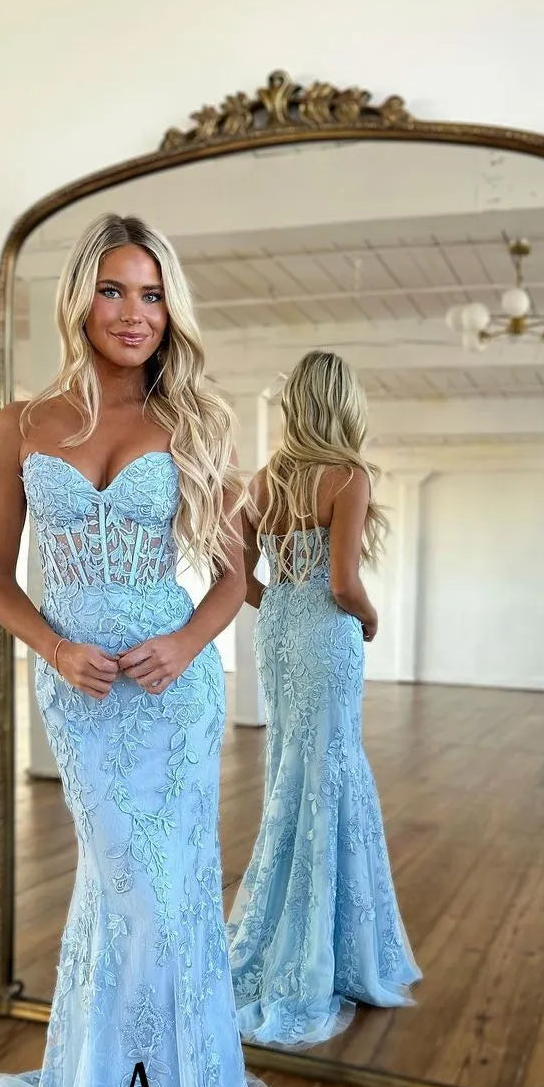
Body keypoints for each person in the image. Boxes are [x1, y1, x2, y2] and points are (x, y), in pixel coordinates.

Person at [0, 213, 294, 1087]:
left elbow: (236, 578)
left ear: (168, 309)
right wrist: (54, 647)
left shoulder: (191, 423)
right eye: (113, 291)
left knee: (166, 903)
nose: (134, 313)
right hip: (82, 696)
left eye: (150, 294)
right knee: (121, 897)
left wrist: (186, 645)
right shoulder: (21, 425)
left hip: (170, 692)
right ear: (79, 302)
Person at [226, 350, 422, 1048]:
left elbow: (236, 574)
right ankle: (332, 950)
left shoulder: (264, 480)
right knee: (330, 769)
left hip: (278, 630)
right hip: (325, 633)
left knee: (291, 767)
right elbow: (343, 583)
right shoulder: (348, 476)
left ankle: (284, 930)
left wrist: (280, 602)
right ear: (344, 404)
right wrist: (369, 619)